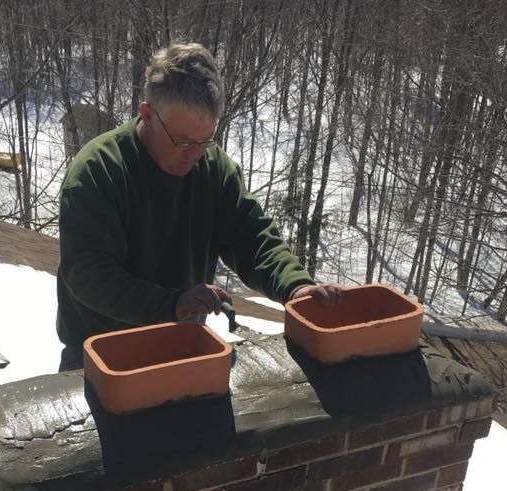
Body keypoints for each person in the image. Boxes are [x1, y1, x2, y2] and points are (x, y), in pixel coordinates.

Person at [56, 42, 342, 370]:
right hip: (101, 357)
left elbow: (252, 238)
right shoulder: (98, 171)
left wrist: (295, 286)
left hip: (182, 348)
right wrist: (171, 305)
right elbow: (89, 276)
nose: (193, 154)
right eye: (182, 142)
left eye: (205, 141)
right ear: (147, 114)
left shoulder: (213, 170)